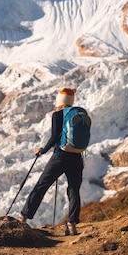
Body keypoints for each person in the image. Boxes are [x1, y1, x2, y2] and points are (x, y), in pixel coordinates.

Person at [18, 87, 84, 236]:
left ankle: (23, 216)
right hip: (77, 157)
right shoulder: (79, 114)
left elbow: (54, 137)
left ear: (59, 101)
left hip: (60, 156)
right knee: (74, 190)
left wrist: (43, 150)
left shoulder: (58, 114)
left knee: (42, 185)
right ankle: (72, 224)